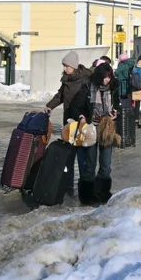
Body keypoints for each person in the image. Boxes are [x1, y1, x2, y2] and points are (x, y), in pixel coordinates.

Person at [44, 51, 91, 196]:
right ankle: (67, 184)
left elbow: (90, 101)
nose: (64, 68)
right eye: (64, 66)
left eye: (66, 66)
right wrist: (49, 105)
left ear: (74, 66)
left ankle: (85, 186)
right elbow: (61, 96)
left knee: (83, 156)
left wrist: (86, 118)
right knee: (68, 156)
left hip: (82, 123)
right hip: (68, 123)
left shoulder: (86, 79)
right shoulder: (66, 79)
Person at [87, 62, 120, 203]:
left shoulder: (113, 87)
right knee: (90, 163)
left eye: (110, 76)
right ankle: (88, 194)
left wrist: (115, 112)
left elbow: (117, 103)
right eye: (106, 77)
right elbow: (83, 104)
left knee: (106, 164)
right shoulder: (89, 86)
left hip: (107, 126)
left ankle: (103, 192)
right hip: (91, 127)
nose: (108, 79)